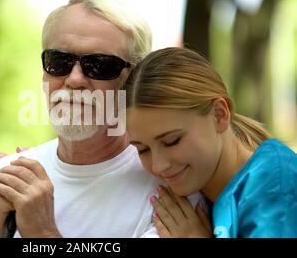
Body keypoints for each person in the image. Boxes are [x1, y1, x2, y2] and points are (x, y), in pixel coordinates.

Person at [0, 0, 203, 238]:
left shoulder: (173, 184)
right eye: (59, 61)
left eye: (99, 65)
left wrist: (42, 233)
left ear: (133, 81)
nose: (74, 80)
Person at [124, 46, 297, 238]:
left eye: (172, 141)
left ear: (219, 114)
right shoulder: (202, 187)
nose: (159, 165)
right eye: (142, 149)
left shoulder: (276, 186)